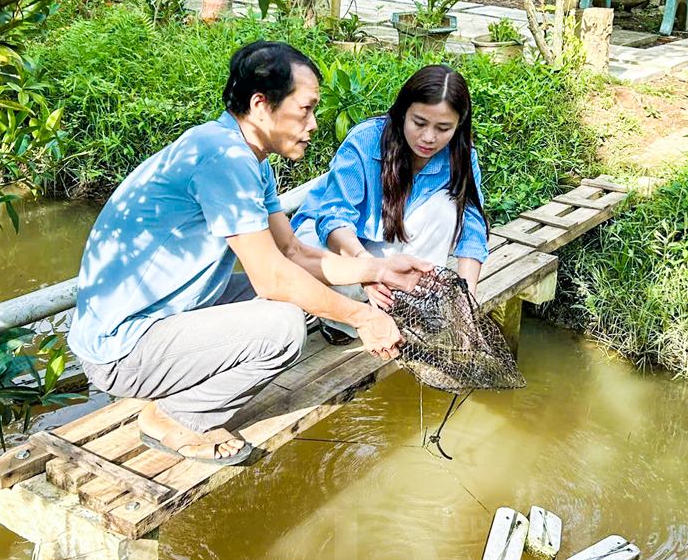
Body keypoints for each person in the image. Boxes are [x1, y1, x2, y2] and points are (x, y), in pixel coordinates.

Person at [68, 41, 432, 466]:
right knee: (283, 327)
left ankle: (179, 389)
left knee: (309, 295)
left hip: (164, 313)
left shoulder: (248, 156)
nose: (314, 124)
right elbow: (272, 278)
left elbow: (292, 252)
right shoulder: (223, 158)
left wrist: (378, 269)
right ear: (261, 106)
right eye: (306, 110)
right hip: (121, 350)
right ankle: (171, 416)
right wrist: (363, 318)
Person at [291, 64, 488, 342]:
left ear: (458, 126)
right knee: (317, 267)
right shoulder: (366, 140)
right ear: (402, 113)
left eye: (443, 128)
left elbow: (472, 232)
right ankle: (339, 321)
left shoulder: (462, 157)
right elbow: (334, 219)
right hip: (333, 243)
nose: (429, 138)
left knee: (447, 208)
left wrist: (466, 306)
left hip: (384, 244)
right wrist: (366, 268)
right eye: (419, 123)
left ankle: (408, 306)